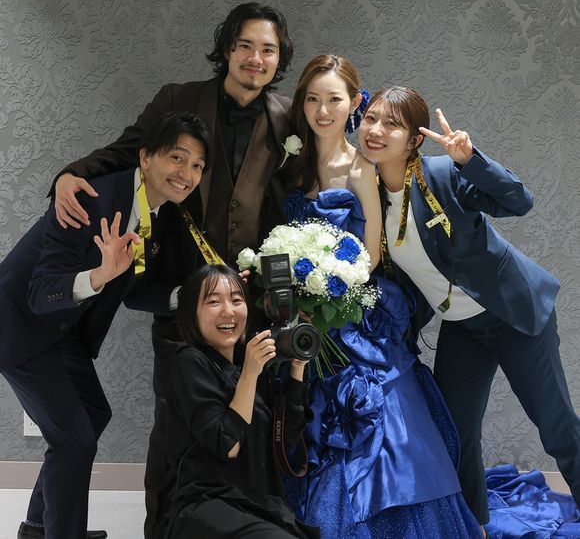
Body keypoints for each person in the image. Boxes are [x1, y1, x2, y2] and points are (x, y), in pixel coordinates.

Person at [49, 2, 295, 537]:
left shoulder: (288, 118)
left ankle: (250, 517)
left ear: (279, 60)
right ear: (227, 48)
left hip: (249, 298)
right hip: (182, 290)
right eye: (245, 46)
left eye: (268, 50)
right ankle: (165, 522)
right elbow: (128, 151)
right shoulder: (179, 99)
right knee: (178, 416)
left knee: (249, 410)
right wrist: (71, 173)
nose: (255, 59)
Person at [358, 86, 580, 534]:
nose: (376, 130)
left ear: (414, 140)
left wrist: (470, 160)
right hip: (461, 326)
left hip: (512, 313)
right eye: (370, 119)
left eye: (391, 124)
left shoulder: (442, 174)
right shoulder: (370, 194)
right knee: (455, 434)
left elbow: (519, 201)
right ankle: (472, 526)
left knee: (555, 424)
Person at [282, 55, 482, 537]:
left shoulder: (360, 169)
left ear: (353, 103)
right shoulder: (291, 164)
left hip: (348, 308)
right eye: (313, 99)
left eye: (334, 100)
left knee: (376, 423)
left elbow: (370, 255)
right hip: (301, 311)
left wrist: (324, 287)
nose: (323, 111)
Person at [0, 111, 211, 539]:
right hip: (19, 327)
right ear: (146, 157)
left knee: (94, 414)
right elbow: (40, 292)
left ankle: (38, 526)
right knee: (74, 439)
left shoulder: (160, 214)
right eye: (177, 158)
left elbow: (135, 292)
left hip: (61, 330)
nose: (187, 174)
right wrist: (99, 275)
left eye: (197, 165)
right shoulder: (90, 200)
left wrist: (189, 297)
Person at [158, 264, 319, 539]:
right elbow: (227, 446)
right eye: (214, 302)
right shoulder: (190, 363)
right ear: (192, 312)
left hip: (258, 504)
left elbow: (286, 442)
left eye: (236, 300)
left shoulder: (246, 364)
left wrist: (297, 369)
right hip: (209, 504)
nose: (228, 312)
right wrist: (250, 373)